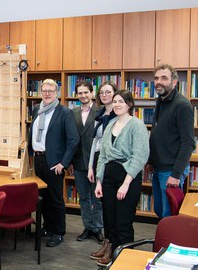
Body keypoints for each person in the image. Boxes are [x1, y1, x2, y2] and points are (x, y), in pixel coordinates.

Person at [94, 90, 149, 267]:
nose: (117, 104)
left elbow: (140, 156)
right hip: (108, 175)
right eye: (115, 101)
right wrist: (99, 181)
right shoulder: (110, 124)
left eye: (121, 101)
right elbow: (103, 155)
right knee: (110, 220)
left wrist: (126, 184)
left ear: (129, 104)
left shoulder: (137, 125)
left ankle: (126, 261)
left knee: (123, 222)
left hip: (128, 177)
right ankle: (113, 254)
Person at [29, 79, 79, 247]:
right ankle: (47, 227)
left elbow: (73, 140)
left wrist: (63, 163)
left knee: (56, 198)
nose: (47, 93)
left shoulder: (64, 112)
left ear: (57, 93)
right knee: (42, 198)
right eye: (44, 90)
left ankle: (58, 232)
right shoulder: (37, 110)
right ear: (41, 92)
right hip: (38, 160)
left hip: (54, 163)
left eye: (51, 90)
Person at [148, 64, 195, 219]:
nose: (158, 81)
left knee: (169, 216)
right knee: (160, 211)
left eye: (164, 78)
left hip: (171, 170)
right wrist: (150, 161)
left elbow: (188, 143)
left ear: (174, 82)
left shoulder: (182, 105)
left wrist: (176, 174)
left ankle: (169, 243)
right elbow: (158, 134)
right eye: (156, 78)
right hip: (158, 168)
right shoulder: (160, 101)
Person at [70, 81, 103, 243]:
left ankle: (98, 228)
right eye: (80, 93)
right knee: (83, 197)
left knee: (97, 197)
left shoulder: (101, 111)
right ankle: (87, 227)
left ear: (91, 93)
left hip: (96, 160)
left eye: (86, 92)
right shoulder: (73, 112)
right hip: (78, 160)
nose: (83, 95)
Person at [87, 81, 117, 262]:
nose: (104, 95)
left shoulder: (117, 115)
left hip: (111, 162)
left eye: (108, 92)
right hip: (98, 160)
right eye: (102, 92)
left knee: (112, 207)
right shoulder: (99, 114)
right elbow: (94, 143)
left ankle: (113, 244)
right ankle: (106, 242)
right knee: (104, 205)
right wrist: (91, 166)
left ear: (115, 94)